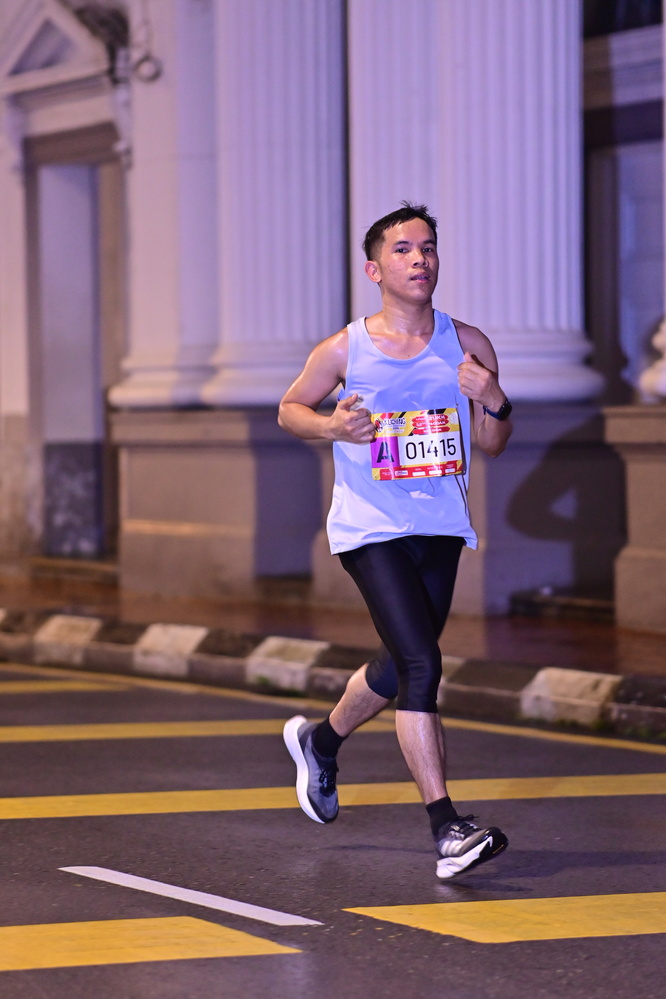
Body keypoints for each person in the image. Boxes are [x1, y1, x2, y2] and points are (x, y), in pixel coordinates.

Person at [278, 203, 513, 879]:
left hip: (441, 525)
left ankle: (321, 743)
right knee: (421, 663)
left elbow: (493, 441)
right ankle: (448, 827)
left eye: (428, 247)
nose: (420, 259)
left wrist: (493, 397)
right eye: (404, 249)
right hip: (370, 526)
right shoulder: (345, 348)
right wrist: (332, 427)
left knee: (398, 663)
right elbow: (290, 408)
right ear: (374, 269)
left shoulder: (468, 343)